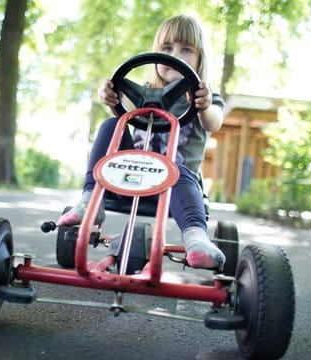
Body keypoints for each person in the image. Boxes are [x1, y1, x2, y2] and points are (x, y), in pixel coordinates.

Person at [58, 14, 225, 270]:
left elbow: (213, 122)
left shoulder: (204, 97)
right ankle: (91, 200)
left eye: (186, 50)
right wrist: (111, 97)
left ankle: (196, 239)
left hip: (174, 187)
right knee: (112, 125)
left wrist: (204, 106)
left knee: (178, 172)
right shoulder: (143, 92)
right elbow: (120, 121)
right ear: (157, 55)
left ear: (200, 58)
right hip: (130, 174)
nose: (176, 56)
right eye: (167, 49)